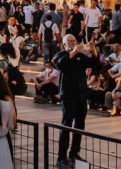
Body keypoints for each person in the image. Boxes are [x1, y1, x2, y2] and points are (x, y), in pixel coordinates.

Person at [53, 34, 96, 167]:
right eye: (70, 42)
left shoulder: (80, 56)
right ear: (65, 44)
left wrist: (93, 50)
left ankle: (74, 152)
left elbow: (94, 63)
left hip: (81, 94)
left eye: (74, 41)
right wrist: (73, 51)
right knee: (67, 124)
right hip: (68, 95)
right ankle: (61, 156)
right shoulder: (61, 55)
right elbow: (61, 65)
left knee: (80, 124)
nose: (73, 43)